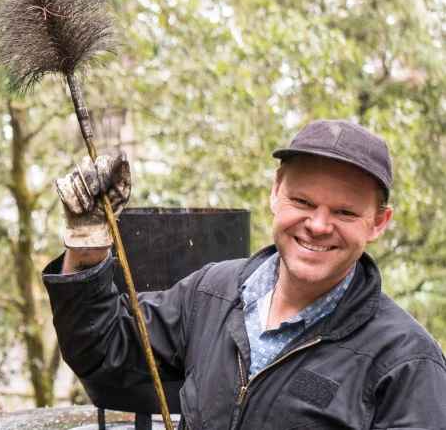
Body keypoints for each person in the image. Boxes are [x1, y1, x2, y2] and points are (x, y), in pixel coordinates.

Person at [42, 120, 446, 429]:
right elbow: (105, 352)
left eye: (345, 212)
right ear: (275, 193)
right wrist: (88, 244)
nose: (319, 225)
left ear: (378, 222)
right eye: (302, 201)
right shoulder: (212, 292)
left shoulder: (407, 363)